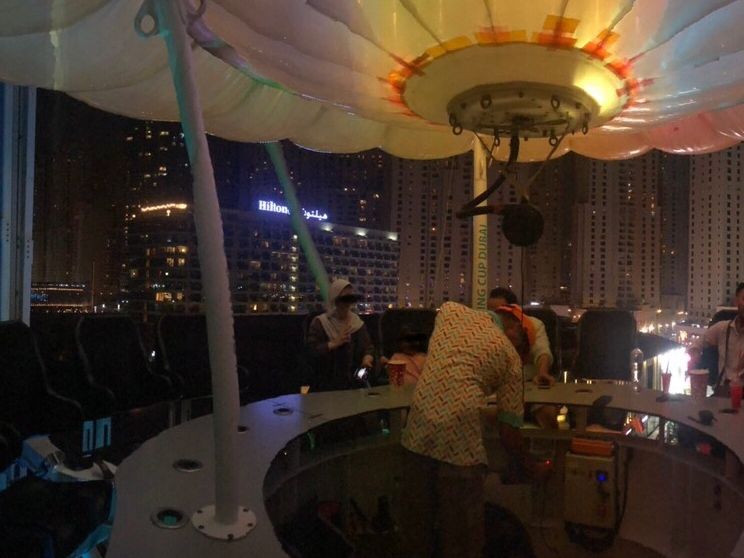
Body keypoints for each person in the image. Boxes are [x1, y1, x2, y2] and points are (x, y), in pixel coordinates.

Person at [399, 302, 544, 558]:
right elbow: (509, 434)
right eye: (523, 349)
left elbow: (457, 378)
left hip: (416, 434)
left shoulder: (450, 312)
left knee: (415, 538)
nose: (520, 356)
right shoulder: (510, 358)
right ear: (514, 329)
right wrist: (532, 466)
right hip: (460, 449)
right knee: (462, 544)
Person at [488, 288, 558, 428]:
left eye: (499, 311)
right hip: (497, 390)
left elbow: (542, 352)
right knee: (489, 415)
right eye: (490, 311)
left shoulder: (534, 325)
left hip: (530, 386)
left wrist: (542, 372)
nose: (494, 316)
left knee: (548, 415)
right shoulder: (486, 329)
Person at [305, 279, 374, 391]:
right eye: (344, 298)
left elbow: (368, 348)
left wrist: (367, 359)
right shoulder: (320, 322)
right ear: (334, 299)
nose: (347, 303)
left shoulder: (356, 322)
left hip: (353, 384)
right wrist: (333, 344)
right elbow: (311, 352)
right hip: (324, 384)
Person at [689, 282, 744, 395]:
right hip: (724, 389)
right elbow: (697, 343)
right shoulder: (723, 328)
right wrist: (695, 354)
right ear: (736, 301)